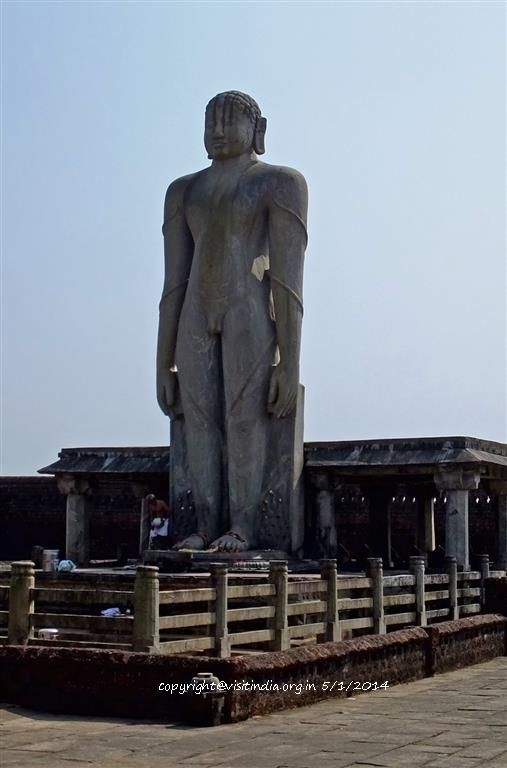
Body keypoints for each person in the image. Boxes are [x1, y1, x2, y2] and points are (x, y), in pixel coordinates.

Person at [156, 91, 308, 552]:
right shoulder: (184, 191)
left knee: (245, 419)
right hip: (194, 313)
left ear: (256, 130)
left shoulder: (279, 183)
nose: (219, 129)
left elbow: (287, 282)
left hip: (249, 308)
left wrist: (289, 362)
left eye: (230, 119)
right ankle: (202, 524)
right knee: (199, 422)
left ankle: (242, 524)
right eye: (211, 121)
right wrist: (162, 363)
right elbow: (172, 284)